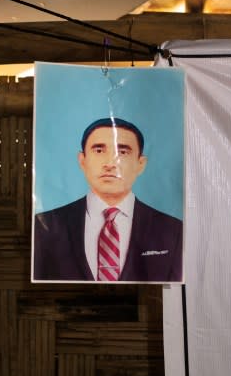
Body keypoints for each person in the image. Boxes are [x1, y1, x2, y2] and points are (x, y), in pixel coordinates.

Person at [33, 117, 182, 282]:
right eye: (99, 150)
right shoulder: (43, 227)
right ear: (82, 161)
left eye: (123, 152)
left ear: (141, 164)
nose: (110, 163)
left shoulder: (173, 231)